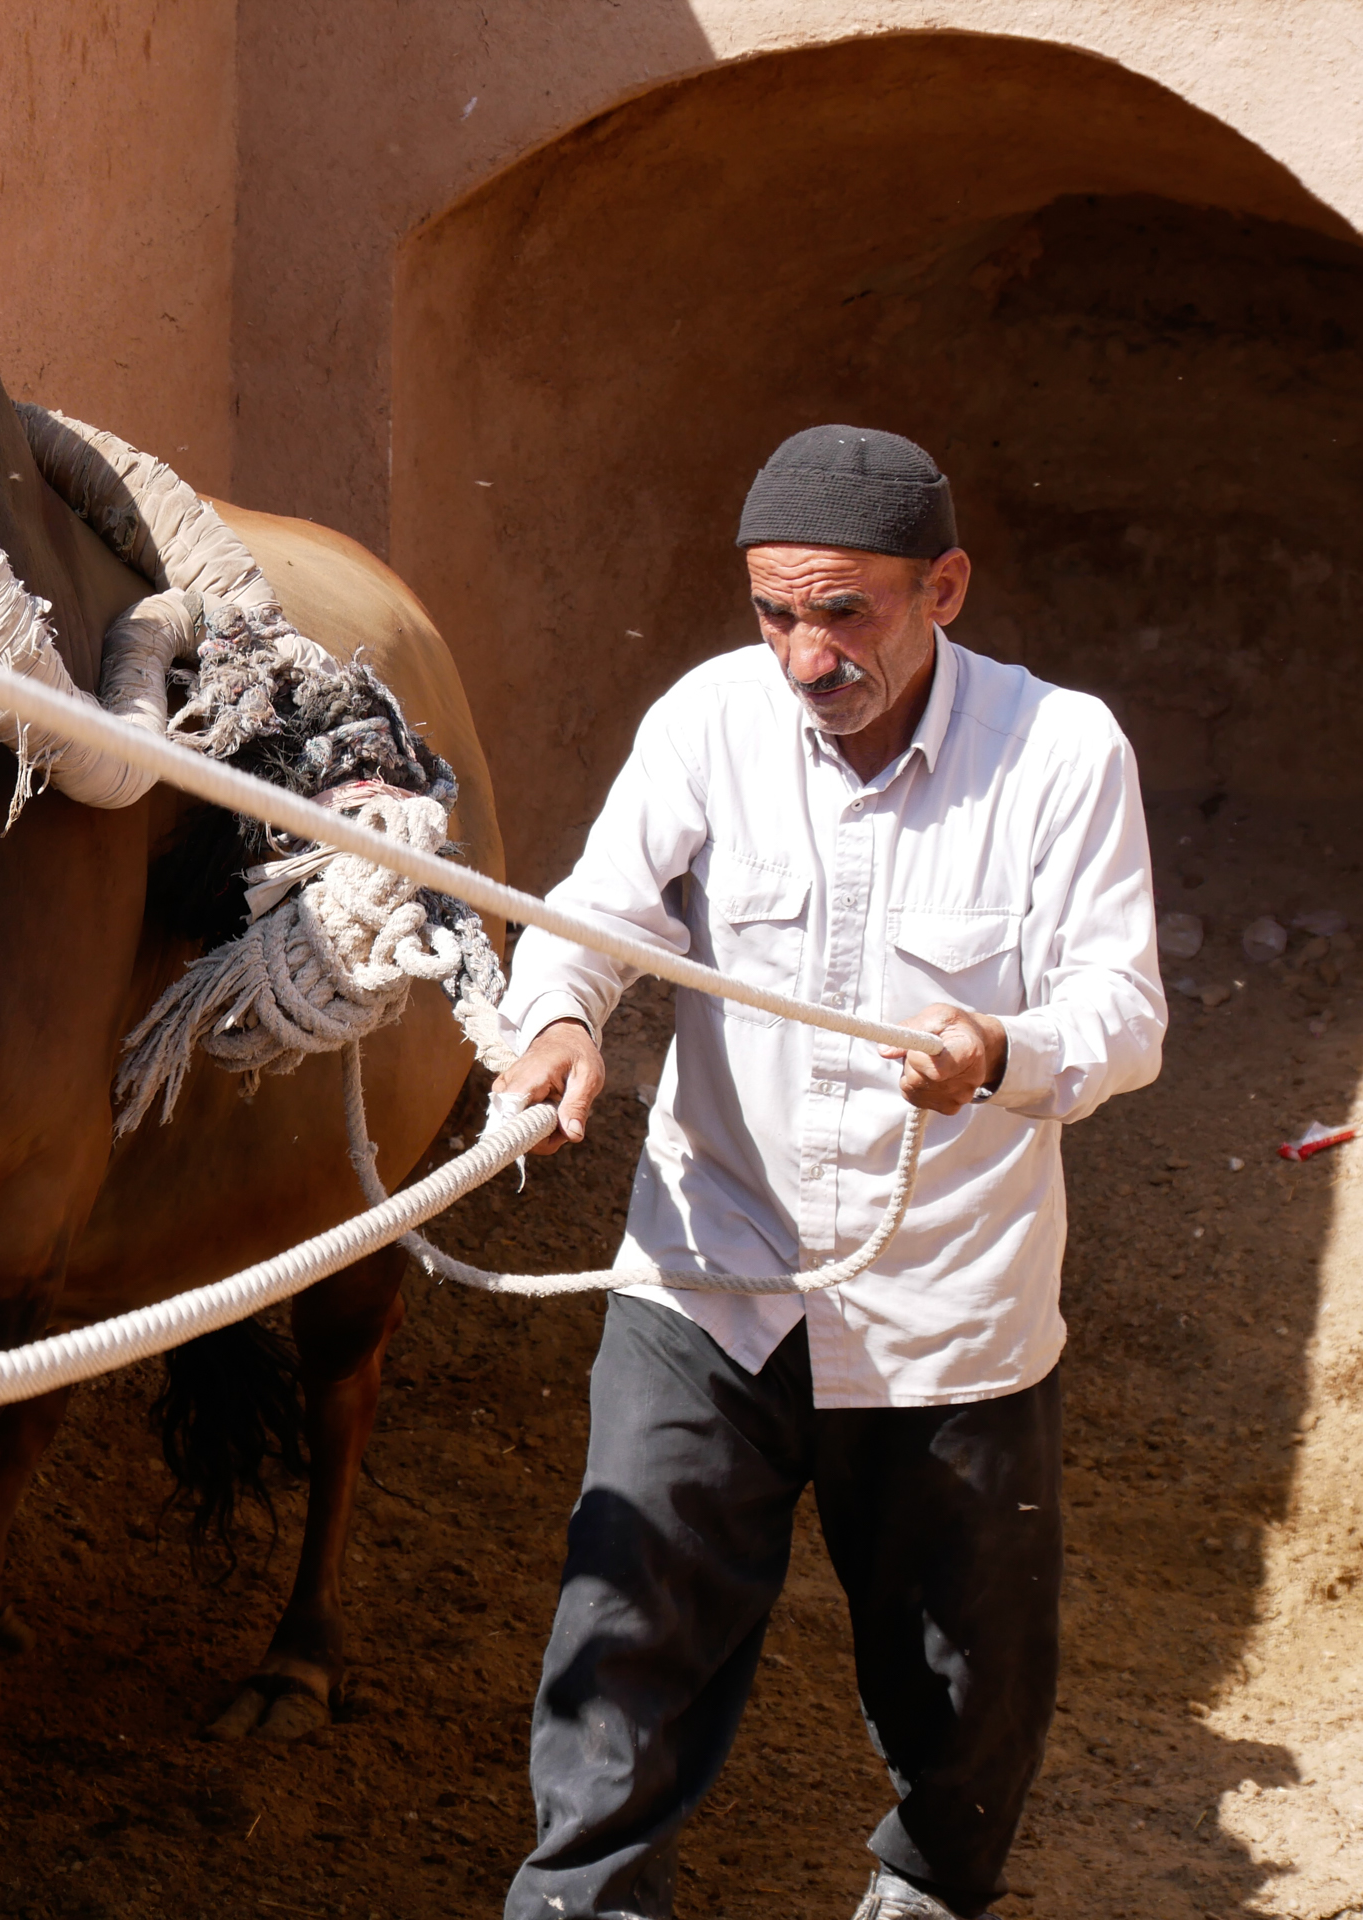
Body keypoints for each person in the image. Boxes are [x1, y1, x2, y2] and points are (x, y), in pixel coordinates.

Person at [493, 426, 1166, 1920]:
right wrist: (555, 1017)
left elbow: (1121, 1016)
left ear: (945, 587)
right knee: (622, 1633)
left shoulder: (1060, 752)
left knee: (963, 1684)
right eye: (772, 613)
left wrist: (997, 1048)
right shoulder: (705, 721)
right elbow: (598, 908)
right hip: (709, 1274)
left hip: (946, 1313)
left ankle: (925, 1891)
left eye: (843, 611)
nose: (803, 654)